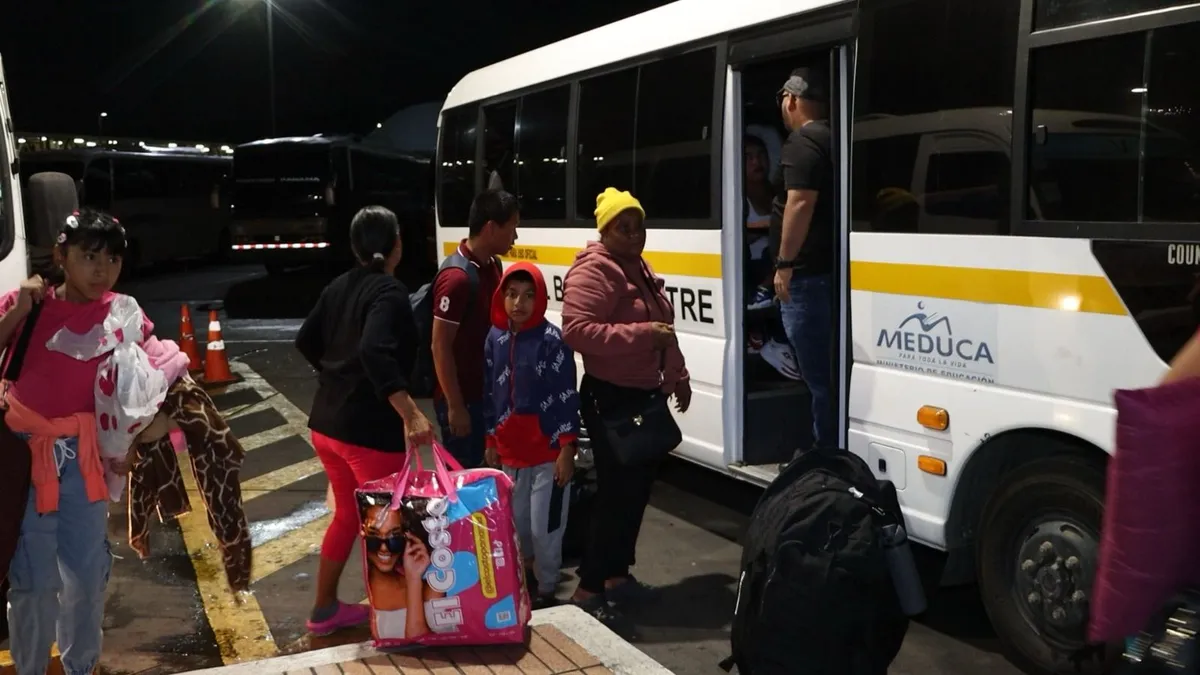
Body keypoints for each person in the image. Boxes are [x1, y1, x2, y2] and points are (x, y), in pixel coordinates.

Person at [2, 209, 146, 675]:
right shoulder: (29, 304)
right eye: (89, 257)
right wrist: (18, 312)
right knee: (34, 582)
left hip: (85, 463)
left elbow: (151, 381)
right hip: (27, 456)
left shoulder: (124, 312)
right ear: (61, 256)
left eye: (112, 260)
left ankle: (80, 667)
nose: (102, 270)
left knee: (87, 577)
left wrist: (135, 441)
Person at [295, 205, 435, 636]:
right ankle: (395, 621)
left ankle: (324, 610)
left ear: (355, 248)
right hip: (366, 431)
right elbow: (375, 349)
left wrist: (337, 374)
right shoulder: (390, 292)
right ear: (397, 245)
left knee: (346, 517)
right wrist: (410, 411)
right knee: (387, 525)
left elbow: (306, 339)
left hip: (327, 425)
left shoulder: (338, 285)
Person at [561, 188, 690, 632]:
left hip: (643, 395)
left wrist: (678, 375)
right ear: (605, 231)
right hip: (611, 398)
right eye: (624, 227)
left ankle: (617, 576)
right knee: (616, 494)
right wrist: (642, 336)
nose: (635, 234)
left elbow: (664, 329)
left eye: (639, 226)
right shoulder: (595, 269)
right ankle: (588, 588)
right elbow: (577, 331)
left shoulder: (639, 266)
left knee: (635, 492)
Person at [482, 262, 579, 610]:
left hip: (547, 455)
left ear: (540, 299)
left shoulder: (553, 341)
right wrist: (491, 439)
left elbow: (567, 395)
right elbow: (490, 393)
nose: (518, 303)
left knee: (545, 528)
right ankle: (524, 581)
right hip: (510, 454)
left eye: (527, 295)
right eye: (511, 294)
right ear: (501, 297)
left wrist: (567, 449)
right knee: (517, 526)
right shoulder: (495, 338)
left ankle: (547, 589)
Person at [771, 67, 837, 452]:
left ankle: (823, 454)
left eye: (784, 99)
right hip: (827, 273)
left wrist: (784, 264)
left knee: (817, 378)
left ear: (792, 100)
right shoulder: (834, 137)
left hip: (807, 278)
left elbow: (800, 202)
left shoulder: (802, 141)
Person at [431, 189, 520, 468]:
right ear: (491, 228)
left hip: (487, 397)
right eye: (512, 228)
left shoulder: (493, 264)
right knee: (464, 479)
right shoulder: (457, 278)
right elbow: (440, 346)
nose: (515, 237)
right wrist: (455, 406)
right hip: (464, 402)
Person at [360, 502, 446, 640]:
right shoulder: (362, 583)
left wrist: (413, 580)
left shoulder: (434, 585)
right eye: (374, 537)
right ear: (362, 533)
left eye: (395, 538)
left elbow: (417, 639)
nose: (383, 548)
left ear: (408, 537)